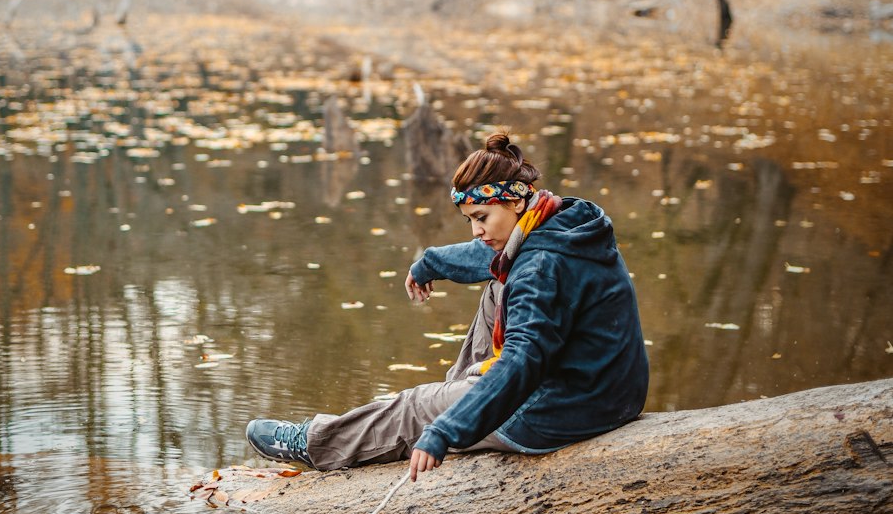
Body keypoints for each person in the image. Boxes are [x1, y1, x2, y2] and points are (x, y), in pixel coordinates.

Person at [245, 129, 648, 481]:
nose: (477, 230)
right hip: (611, 389)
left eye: (482, 217)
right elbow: (496, 257)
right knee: (496, 286)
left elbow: (524, 360)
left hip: (562, 409)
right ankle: (461, 392)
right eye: (469, 219)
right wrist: (431, 263)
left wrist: (446, 428)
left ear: (517, 203)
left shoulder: (539, 268)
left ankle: (315, 444)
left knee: (414, 407)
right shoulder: (565, 224)